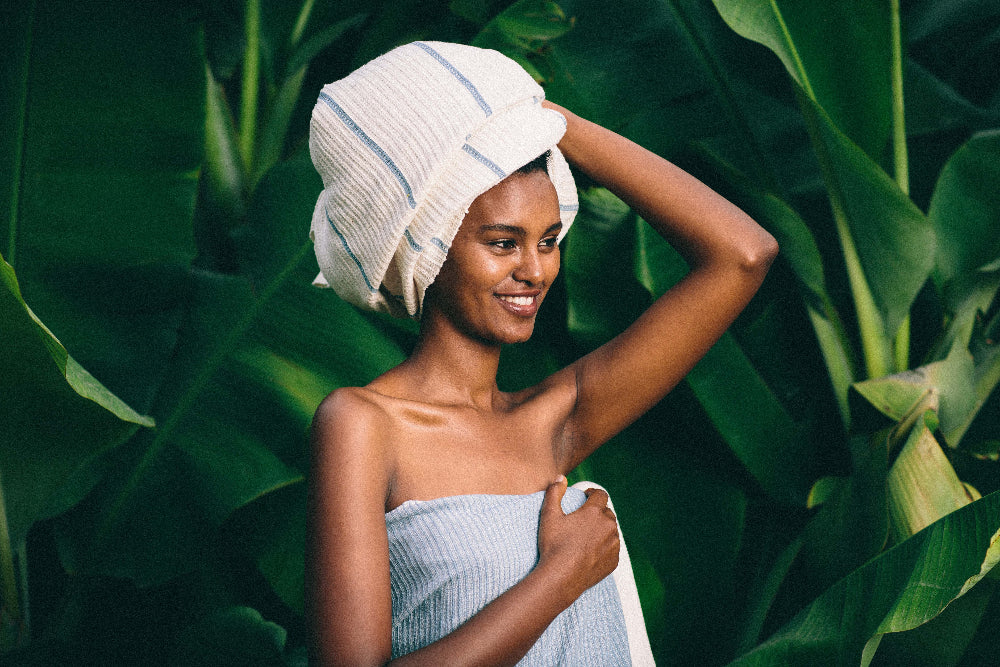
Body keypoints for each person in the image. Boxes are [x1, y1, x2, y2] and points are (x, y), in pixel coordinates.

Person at [306, 41, 777, 666]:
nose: (534, 270)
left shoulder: (552, 423)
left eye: (549, 241)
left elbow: (743, 255)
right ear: (431, 249)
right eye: (503, 243)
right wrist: (561, 575)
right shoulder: (363, 424)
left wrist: (543, 120)